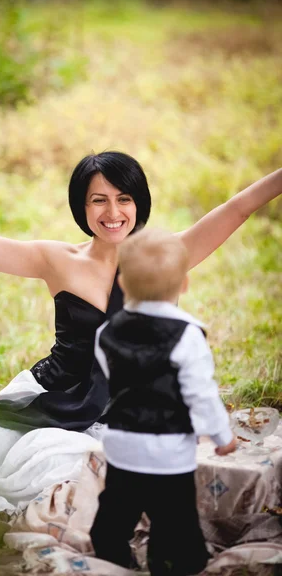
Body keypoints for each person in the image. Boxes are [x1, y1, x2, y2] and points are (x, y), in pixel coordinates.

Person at [0, 151, 280, 513]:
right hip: (57, 397)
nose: (113, 212)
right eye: (99, 200)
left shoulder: (166, 254)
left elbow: (239, 208)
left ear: (139, 202)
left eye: (124, 198)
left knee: (108, 477)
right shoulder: (55, 259)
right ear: (82, 206)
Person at [90, 227, 237, 576]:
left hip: (121, 445)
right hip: (170, 454)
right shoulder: (188, 336)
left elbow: (113, 376)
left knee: (114, 514)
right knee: (176, 522)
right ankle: (172, 561)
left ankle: (111, 558)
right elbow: (201, 393)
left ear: (123, 284)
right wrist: (221, 435)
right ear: (184, 285)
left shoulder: (105, 332)